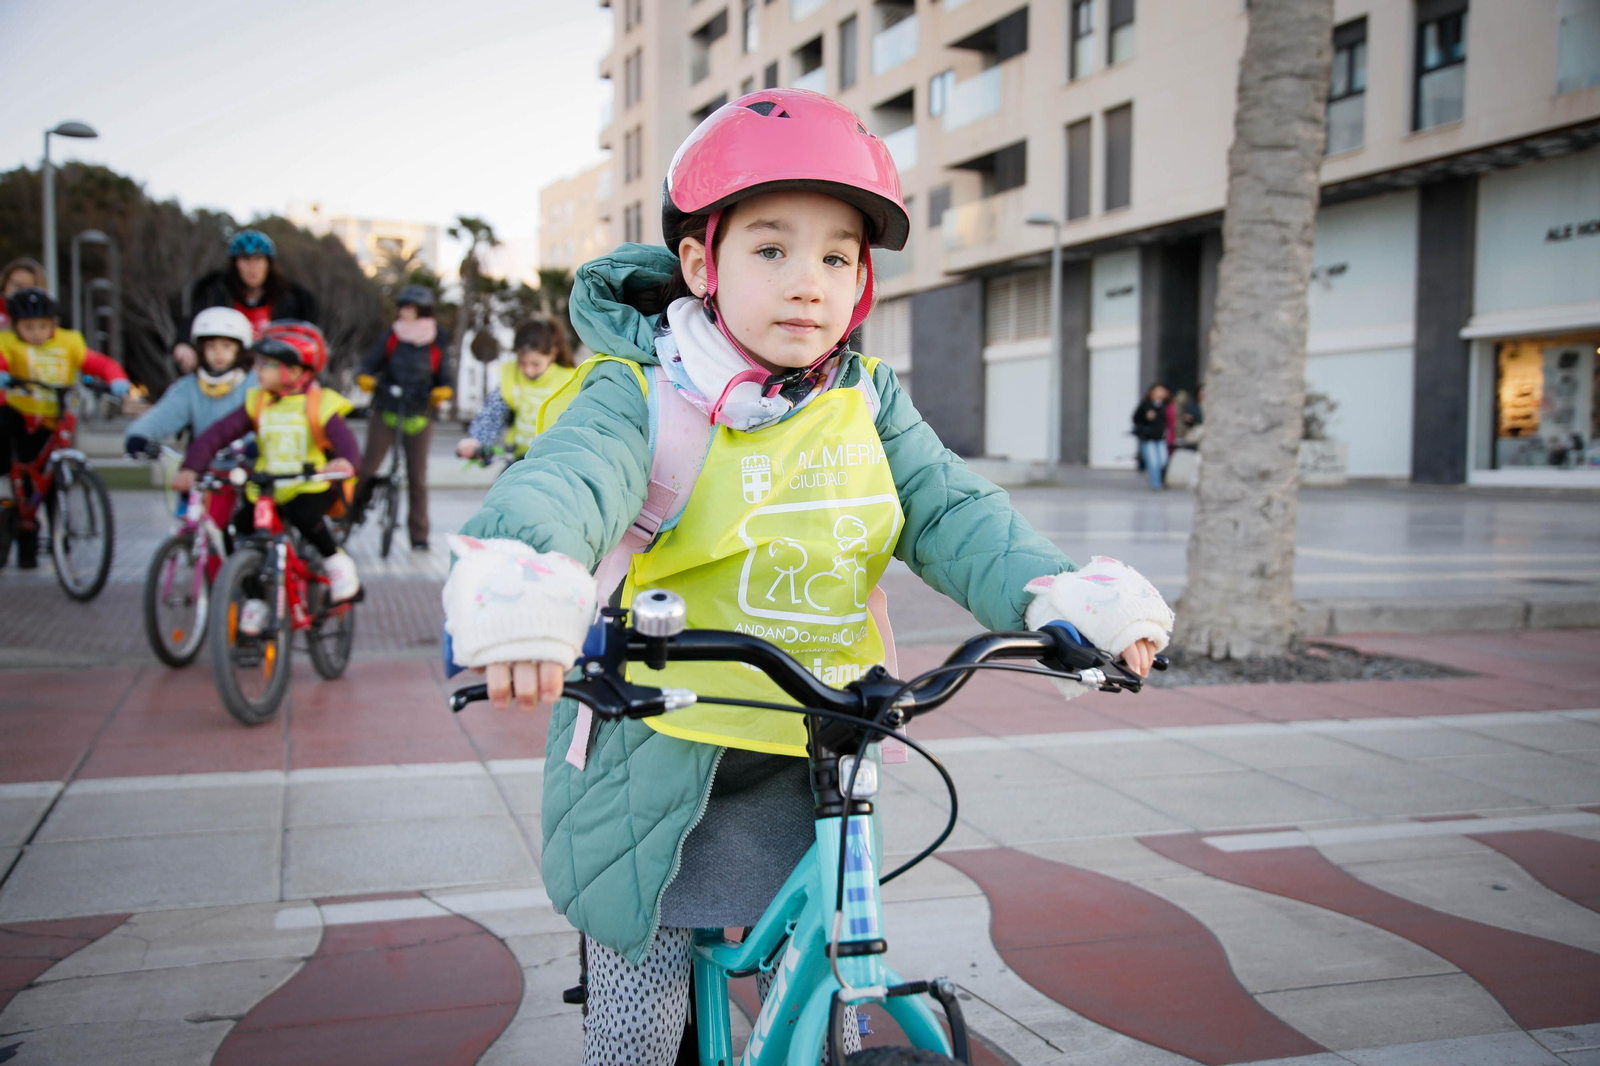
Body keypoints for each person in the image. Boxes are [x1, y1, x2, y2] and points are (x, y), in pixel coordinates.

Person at [439, 89, 1174, 1065]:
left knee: (831, 986)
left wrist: (1059, 596)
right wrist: (522, 578)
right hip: (658, 746)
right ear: (702, 263)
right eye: (772, 248)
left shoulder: (866, 402)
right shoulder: (643, 393)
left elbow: (953, 511)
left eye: (837, 256)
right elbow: (565, 484)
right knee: (638, 1021)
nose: (808, 282)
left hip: (821, 740)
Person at [175, 321, 360, 630]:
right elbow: (217, 434)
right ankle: (256, 599)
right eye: (258, 363)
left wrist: (344, 461)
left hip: (309, 485)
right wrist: (191, 466)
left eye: (267, 365)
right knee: (240, 527)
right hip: (268, 488)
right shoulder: (258, 401)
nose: (257, 371)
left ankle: (336, 562)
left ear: (296, 370)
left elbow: (345, 442)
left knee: (305, 516)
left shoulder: (319, 402)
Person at [0, 287, 131, 568]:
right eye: (29, 327)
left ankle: (61, 533)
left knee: (53, 480)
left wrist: (115, 378)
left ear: (53, 324)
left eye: (42, 326)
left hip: (55, 419)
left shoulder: (68, 343)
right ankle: (21, 528)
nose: (36, 333)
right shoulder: (8, 344)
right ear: (16, 326)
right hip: (21, 418)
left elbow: (97, 363)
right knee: (21, 475)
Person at [125, 306, 258, 562]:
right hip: (203, 470)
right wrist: (138, 436)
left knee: (248, 530)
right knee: (199, 528)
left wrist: (253, 445)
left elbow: (263, 421)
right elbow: (163, 415)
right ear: (200, 350)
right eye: (211, 347)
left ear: (240, 350)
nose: (218, 354)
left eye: (227, 346)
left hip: (245, 471)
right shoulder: (189, 387)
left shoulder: (254, 383)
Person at [349, 284, 454, 550]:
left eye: (409, 307)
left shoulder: (437, 338)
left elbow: (445, 373)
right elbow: (370, 363)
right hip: (386, 408)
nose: (404, 312)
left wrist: (443, 390)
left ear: (422, 310)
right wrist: (365, 377)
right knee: (367, 468)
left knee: (417, 478)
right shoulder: (391, 336)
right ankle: (347, 516)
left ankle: (419, 536)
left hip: (419, 413)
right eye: (402, 307)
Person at [173, 229, 318, 374]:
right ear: (235, 264)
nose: (252, 267)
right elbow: (195, 320)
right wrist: (184, 344)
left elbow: (306, 337)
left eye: (258, 259)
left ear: (269, 263)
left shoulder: (292, 298)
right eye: (245, 260)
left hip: (275, 375)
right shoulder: (214, 292)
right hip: (227, 374)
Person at [456, 316, 577, 463]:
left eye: (535, 364)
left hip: (555, 460)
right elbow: (493, 412)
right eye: (522, 363)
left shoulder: (570, 380)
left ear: (552, 354)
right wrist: (477, 440)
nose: (528, 371)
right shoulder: (512, 374)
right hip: (519, 458)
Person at [1132, 383, 1171, 490]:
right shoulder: (1146, 404)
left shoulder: (1165, 406)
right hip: (1148, 437)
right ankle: (1155, 484)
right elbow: (1135, 418)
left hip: (1160, 437)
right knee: (1153, 462)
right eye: (1158, 391)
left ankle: (1161, 480)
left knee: (1163, 460)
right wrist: (1145, 417)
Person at [0, 257, 46, 331]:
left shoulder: (45, 318)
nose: (21, 291)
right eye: (17, 285)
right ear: (5, 284)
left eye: (28, 287)